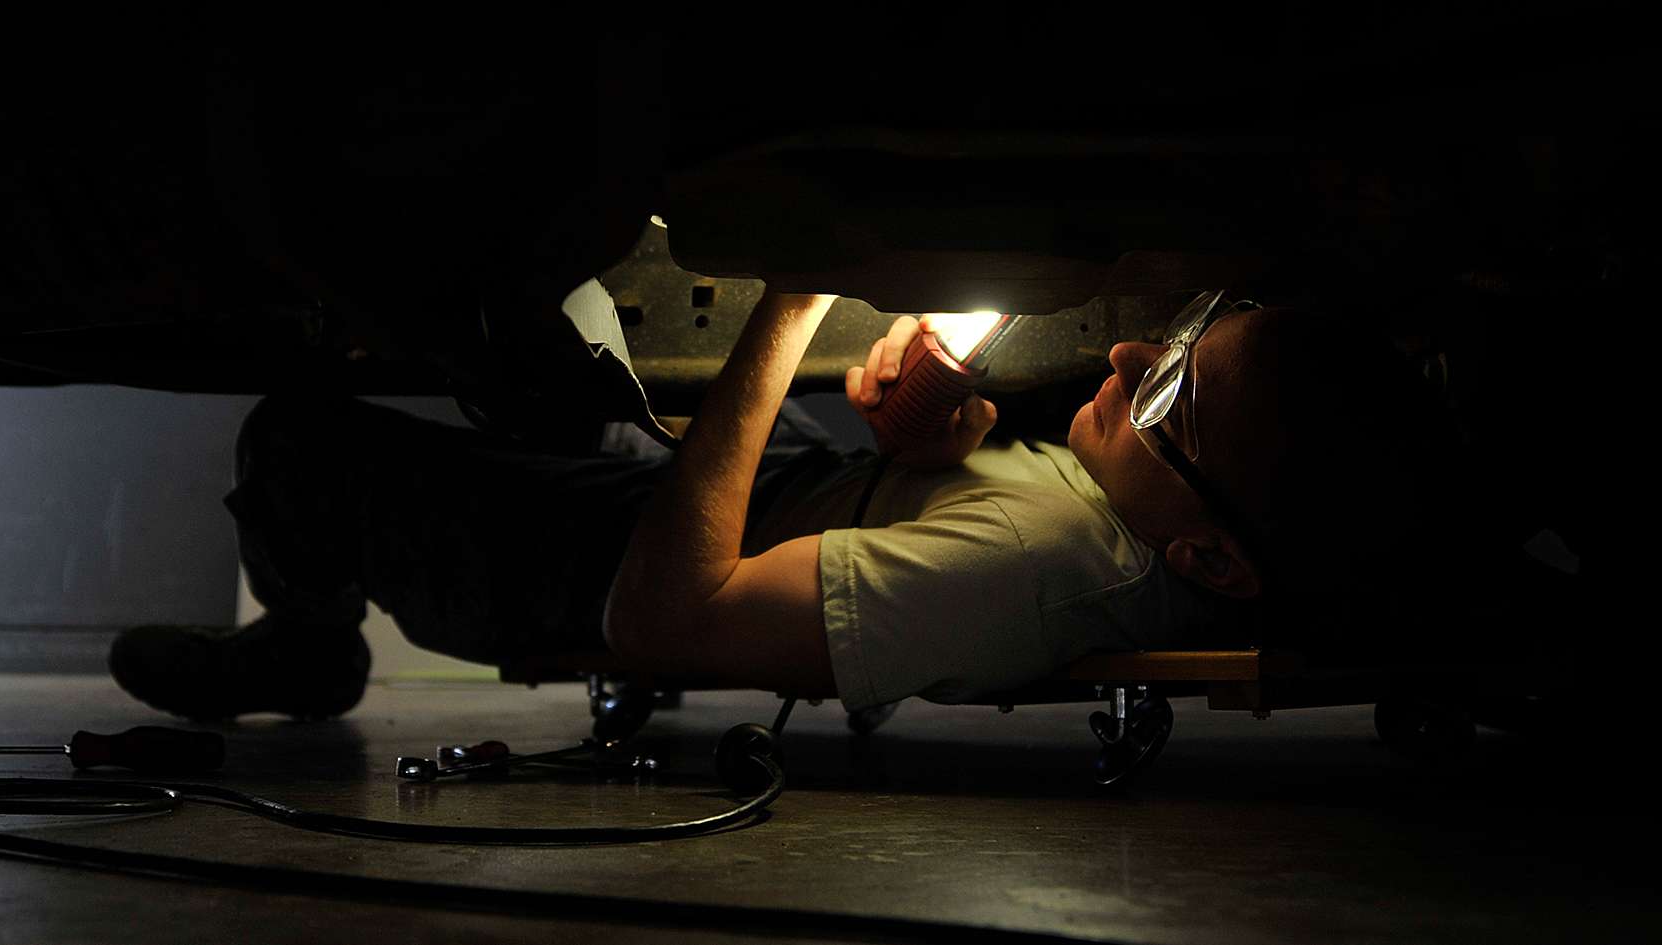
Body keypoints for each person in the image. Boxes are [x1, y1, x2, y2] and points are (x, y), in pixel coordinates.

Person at [110, 288, 1444, 719]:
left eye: (1168, 398)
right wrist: (923, 439)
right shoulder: (1111, 513)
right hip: (725, 495)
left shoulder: (1037, 556)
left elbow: (661, 617)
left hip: (587, 572)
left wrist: (786, 310)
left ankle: (312, 641)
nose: (1123, 362)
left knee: (296, 433)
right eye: (1168, 342)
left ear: (1204, 550)